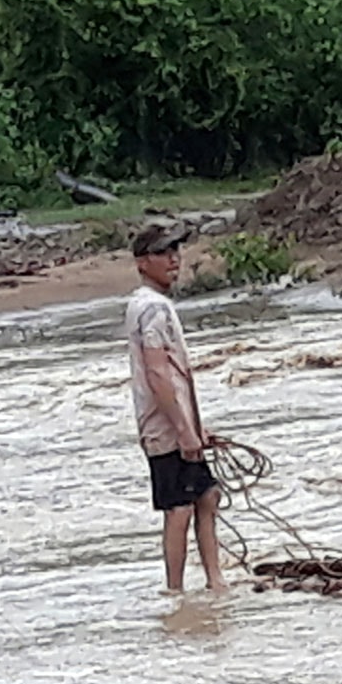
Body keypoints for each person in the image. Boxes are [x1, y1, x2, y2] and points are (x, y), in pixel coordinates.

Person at [126, 222, 225, 591]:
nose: (173, 259)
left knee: (207, 496)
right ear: (141, 263)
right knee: (179, 509)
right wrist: (183, 430)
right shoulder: (151, 308)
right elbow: (157, 373)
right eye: (162, 253)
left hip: (178, 423)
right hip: (164, 428)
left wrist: (196, 428)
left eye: (175, 251)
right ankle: (176, 589)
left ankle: (216, 582)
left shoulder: (155, 306)